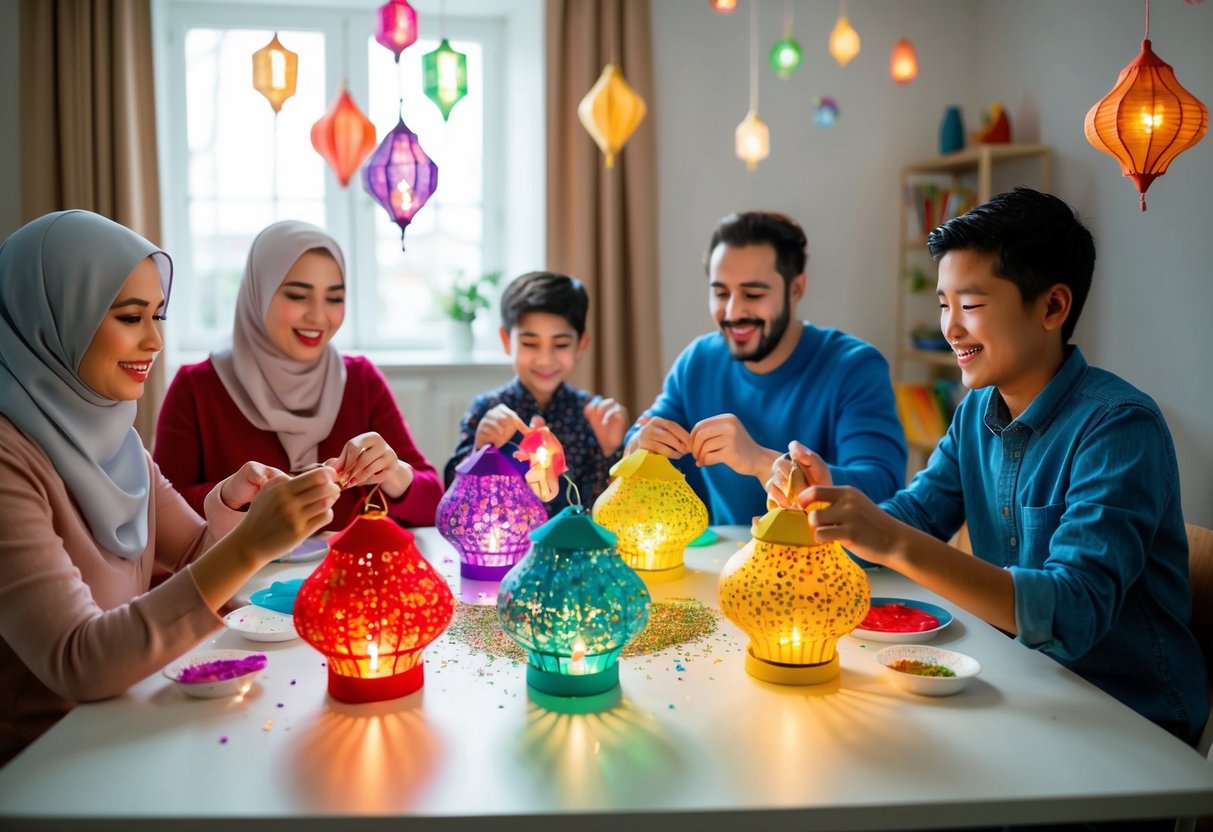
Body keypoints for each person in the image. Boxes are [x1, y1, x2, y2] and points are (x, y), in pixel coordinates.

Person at [770, 188, 1208, 754]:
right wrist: (828, 504)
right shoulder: (977, 410)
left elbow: (1071, 614)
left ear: (1053, 308)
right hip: (1026, 688)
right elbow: (916, 516)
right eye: (943, 304)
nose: (951, 328)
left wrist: (892, 542)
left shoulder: (1119, 428)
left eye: (970, 306)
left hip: (1129, 723)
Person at [0, 211, 341, 764]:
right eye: (131, 317)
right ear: (57, 317)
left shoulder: (116, 439)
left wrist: (229, 509)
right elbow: (78, 662)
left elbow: (191, 562)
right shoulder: (9, 460)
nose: (156, 340)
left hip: (127, 725)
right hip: (44, 766)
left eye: (158, 315)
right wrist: (252, 542)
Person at [155, 221, 441, 531]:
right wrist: (231, 496)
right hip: (241, 578)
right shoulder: (197, 388)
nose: (318, 316)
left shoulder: (361, 380)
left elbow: (434, 504)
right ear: (258, 294)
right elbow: (162, 514)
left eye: (334, 298)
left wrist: (394, 473)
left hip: (344, 576)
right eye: (297, 296)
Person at [624, 211, 906, 525]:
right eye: (720, 293)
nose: (732, 311)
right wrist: (638, 443)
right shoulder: (697, 362)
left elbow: (884, 490)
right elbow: (644, 431)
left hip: (826, 566)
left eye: (753, 294)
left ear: (796, 289)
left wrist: (762, 462)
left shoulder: (855, 368)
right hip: (724, 566)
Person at [444, 271, 628, 514]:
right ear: (507, 340)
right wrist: (480, 449)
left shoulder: (593, 415)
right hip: (506, 547)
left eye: (561, 344)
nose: (545, 359)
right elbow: (452, 496)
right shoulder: (487, 409)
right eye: (530, 343)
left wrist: (611, 451)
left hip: (573, 546)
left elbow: (605, 509)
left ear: (581, 344)